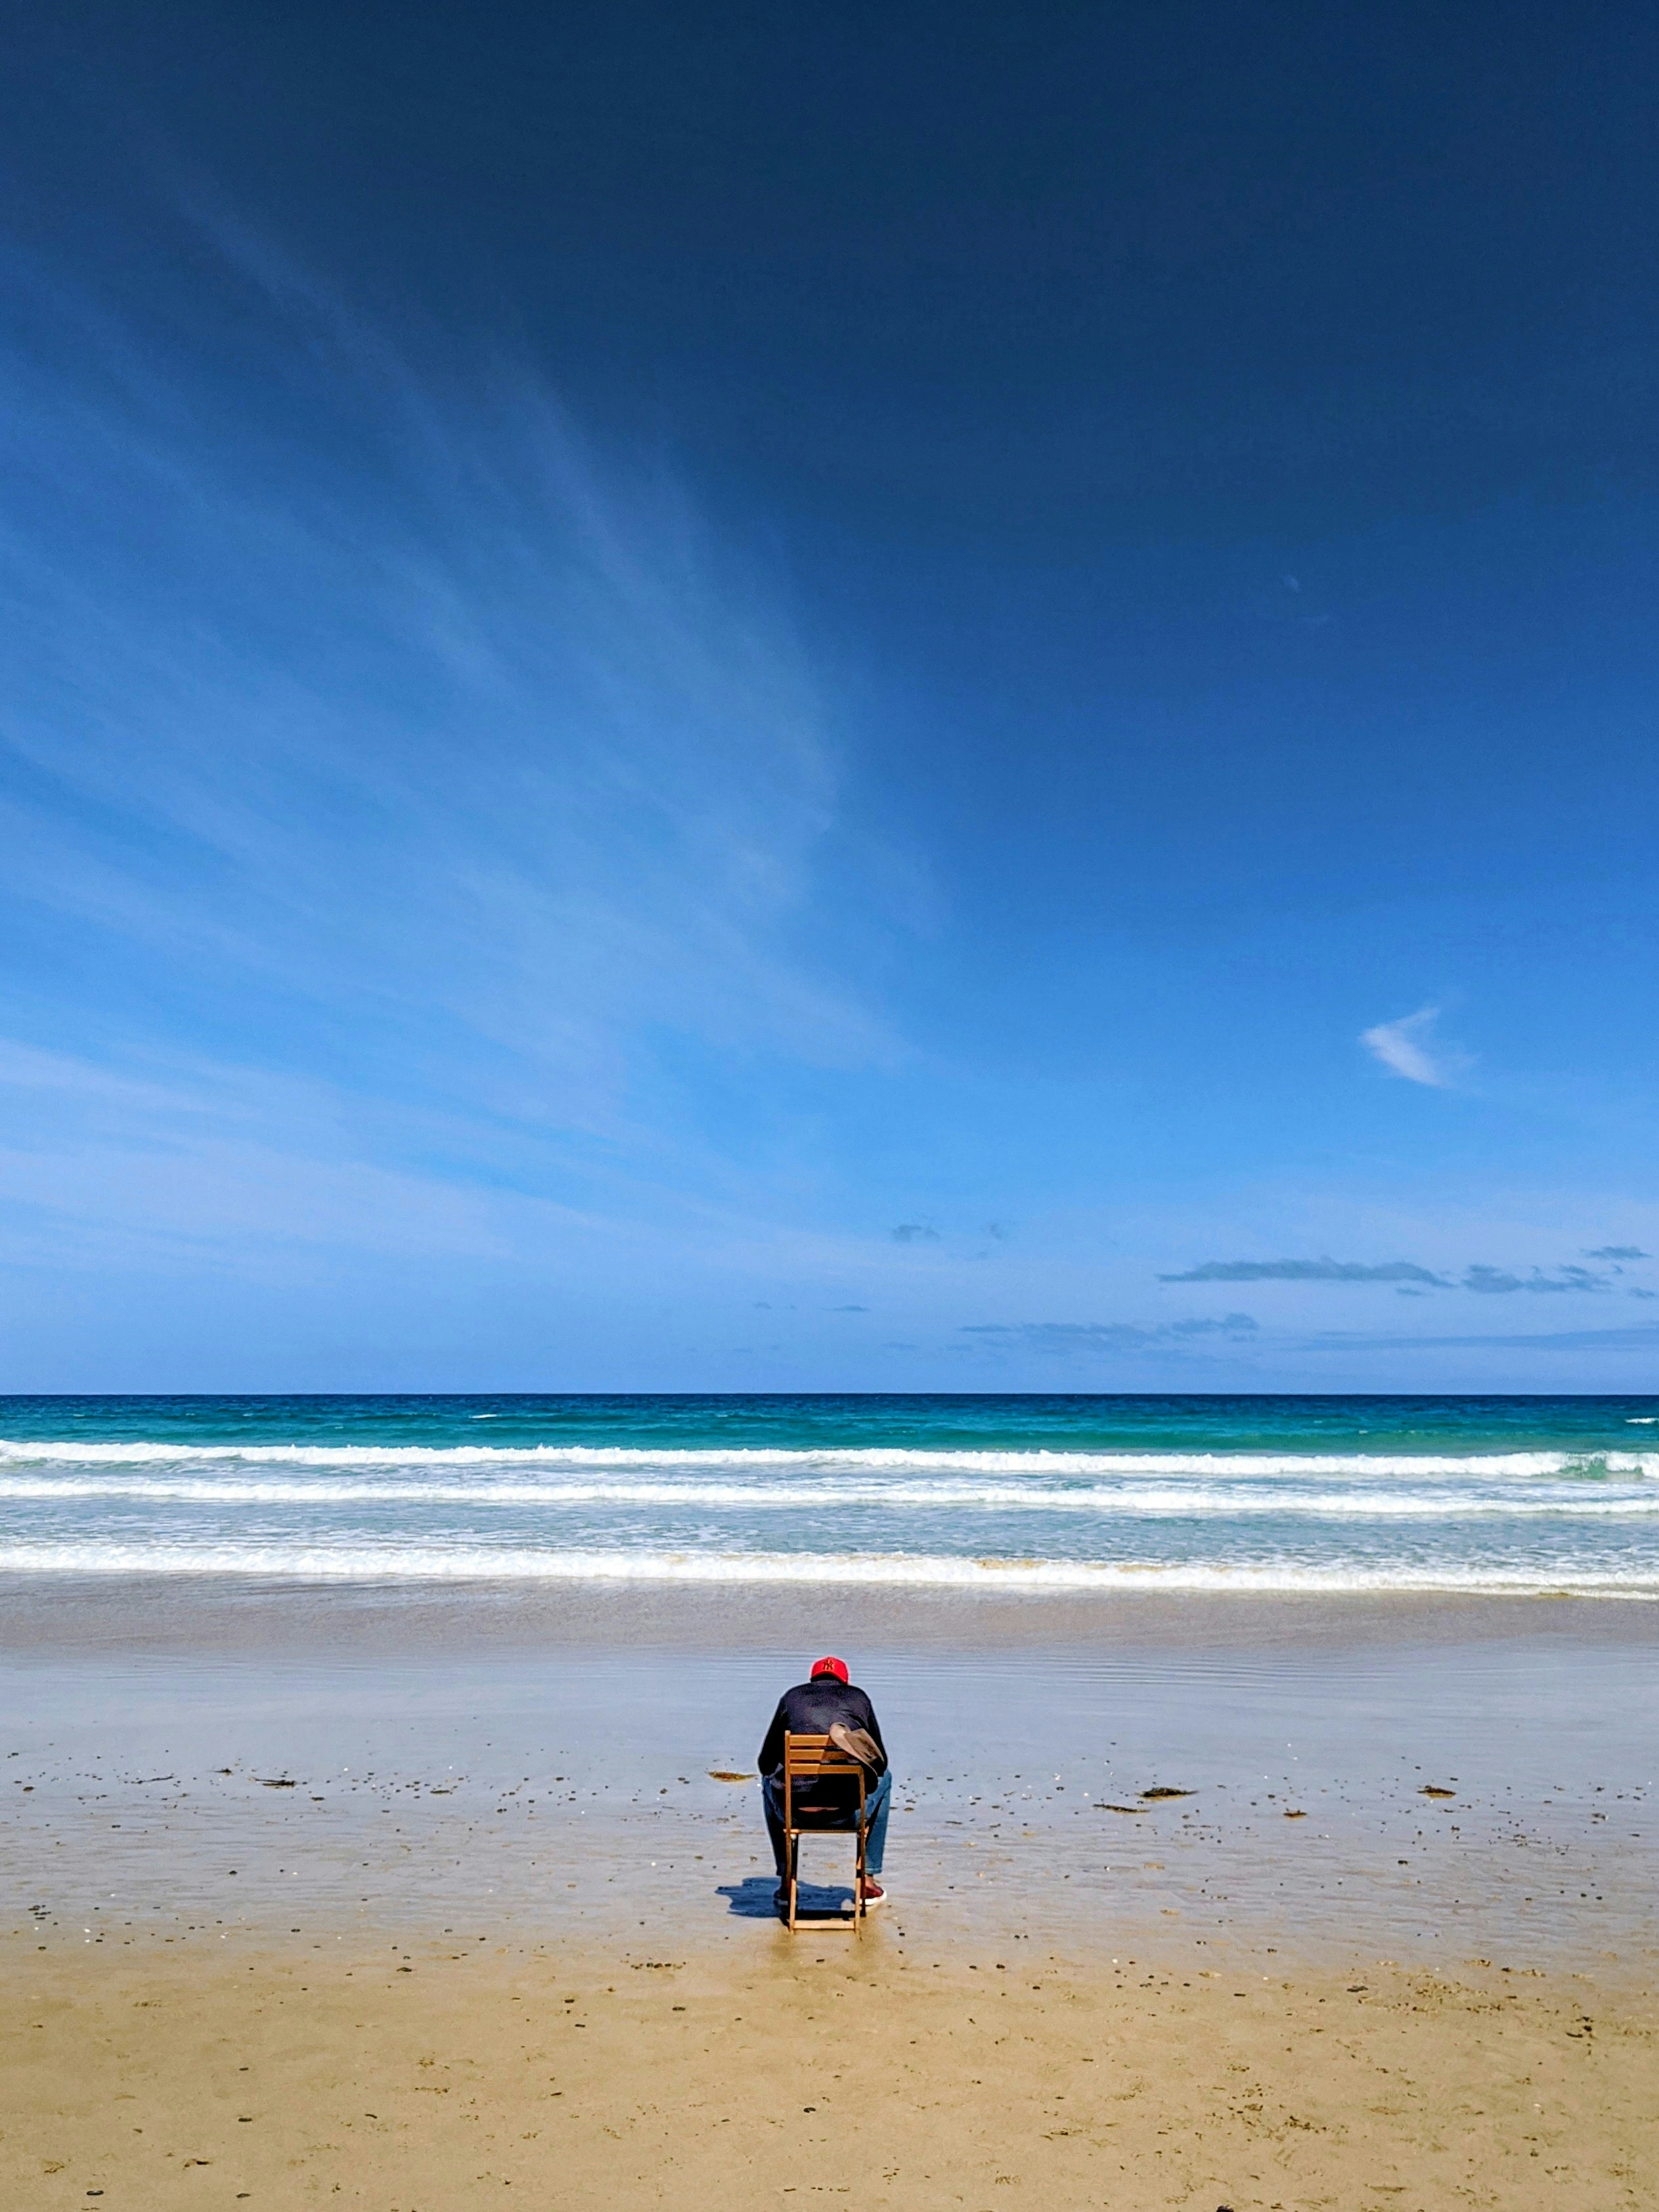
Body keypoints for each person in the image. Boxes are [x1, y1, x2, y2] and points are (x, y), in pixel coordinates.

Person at [757, 1655, 891, 1911]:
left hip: (795, 1814)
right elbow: (880, 1762)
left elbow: (765, 1763)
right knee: (887, 1779)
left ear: (812, 1679)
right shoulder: (859, 1698)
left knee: (767, 1782)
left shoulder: (791, 1698)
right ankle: (867, 1880)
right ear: (845, 1681)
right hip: (849, 1814)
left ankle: (787, 1882)